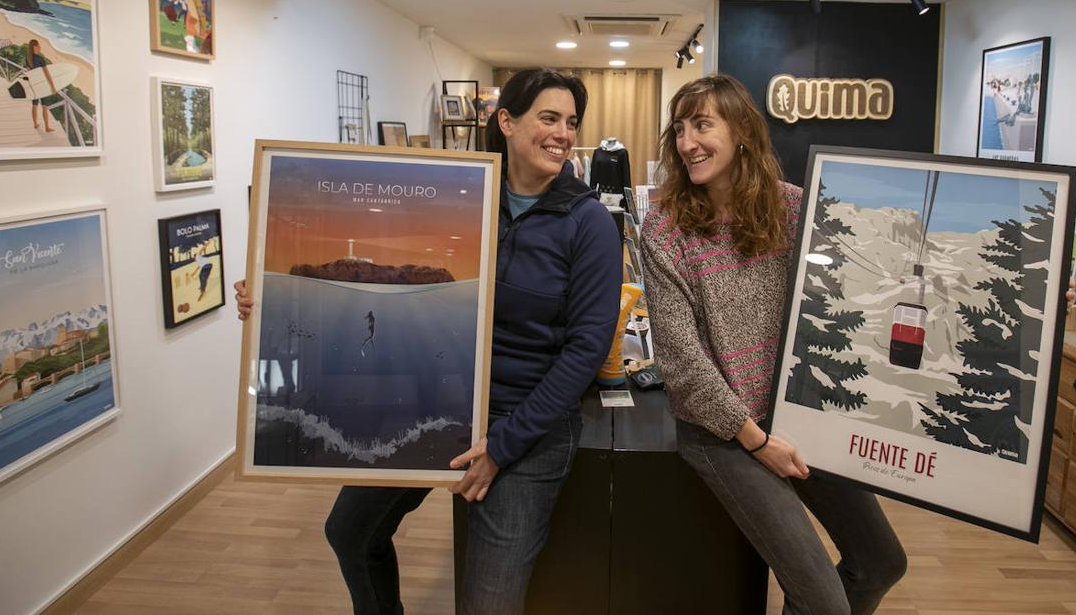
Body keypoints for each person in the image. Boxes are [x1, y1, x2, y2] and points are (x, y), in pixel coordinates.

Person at [235, 67, 621, 614]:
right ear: (506, 122)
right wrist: (273, 302)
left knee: (488, 604)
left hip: (527, 426)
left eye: (571, 122)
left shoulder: (588, 224)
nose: (562, 133)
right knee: (350, 533)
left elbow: (585, 350)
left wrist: (503, 445)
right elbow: (379, 277)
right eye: (549, 118)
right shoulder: (466, 199)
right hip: (441, 407)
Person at [639, 74, 907, 615]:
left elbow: (851, 295)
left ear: (741, 130)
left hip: (798, 416)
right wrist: (758, 441)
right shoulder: (665, 228)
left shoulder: (796, 209)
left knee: (882, 562)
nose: (687, 142)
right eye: (680, 129)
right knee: (823, 602)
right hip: (722, 432)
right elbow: (682, 364)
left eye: (702, 124)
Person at [26, 39, 58, 133]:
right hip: (42, 84)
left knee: (34, 105)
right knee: (44, 106)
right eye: (38, 46)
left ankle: (35, 123)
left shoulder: (27, 57)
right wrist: (52, 87)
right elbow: (47, 74)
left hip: (34, 84)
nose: (40, 47)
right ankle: (47, 127)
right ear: (34, 47)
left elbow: (29, 71)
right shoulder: (40, 59)